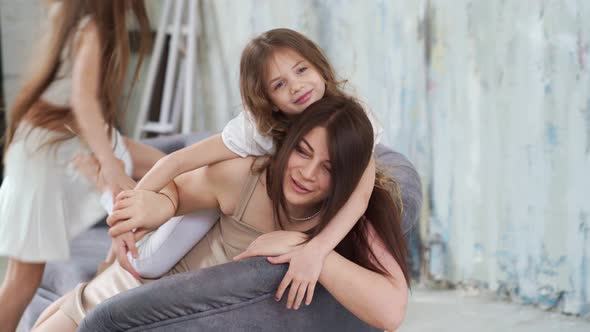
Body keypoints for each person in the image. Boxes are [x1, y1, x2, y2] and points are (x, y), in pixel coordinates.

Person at [32, 96, 409, 332]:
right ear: (287, 144)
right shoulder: (249, 175)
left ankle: (110, 167)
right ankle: (107, 172)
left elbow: (390, 313)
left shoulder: (354, 214)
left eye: (329, 168)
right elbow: (177, 187)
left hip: (172, 311)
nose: (307, 174)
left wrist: (311, 252)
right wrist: (160, 204)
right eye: (303, 152)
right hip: (136, 287)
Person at [110, 29, 384, 306]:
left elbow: (360, 196)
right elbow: (176, 161)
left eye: (302, 70)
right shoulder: (256, 131)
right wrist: (123, 222)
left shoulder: (354, 123)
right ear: (269, 100)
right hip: (213, 192)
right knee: (147, 263)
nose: (297, 86)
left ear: (320, 68)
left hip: (225, 201)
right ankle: (112, 184)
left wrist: (317, 250)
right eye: (279, 85)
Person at [0, 1, 151, 331]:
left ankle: (115, 256)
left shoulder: (70, 17)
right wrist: (110, 167)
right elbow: (83, 101)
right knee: (22, 280)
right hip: (45, 151)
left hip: (51, 142)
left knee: (19, 278)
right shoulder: (90, 28)